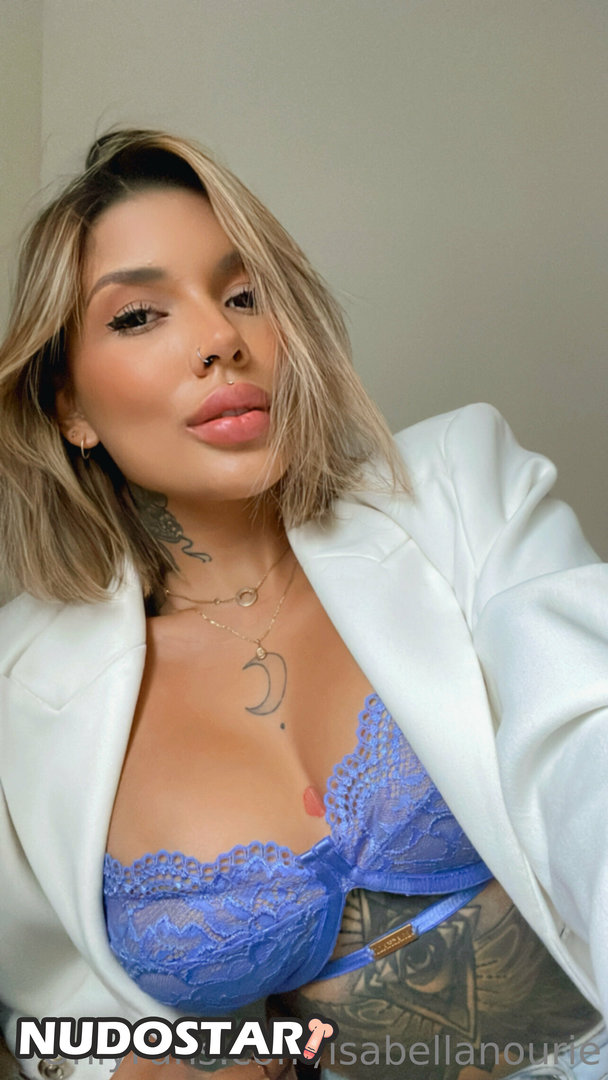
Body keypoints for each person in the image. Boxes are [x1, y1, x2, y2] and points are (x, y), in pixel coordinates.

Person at [0, 128, 606, 1080]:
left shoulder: (458, 490)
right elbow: (41, 1005)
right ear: (67, 404)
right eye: (139, 316)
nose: (221, 339)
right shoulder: (23, 689)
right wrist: (123, 1062)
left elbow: (590, 742)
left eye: (244, 295)